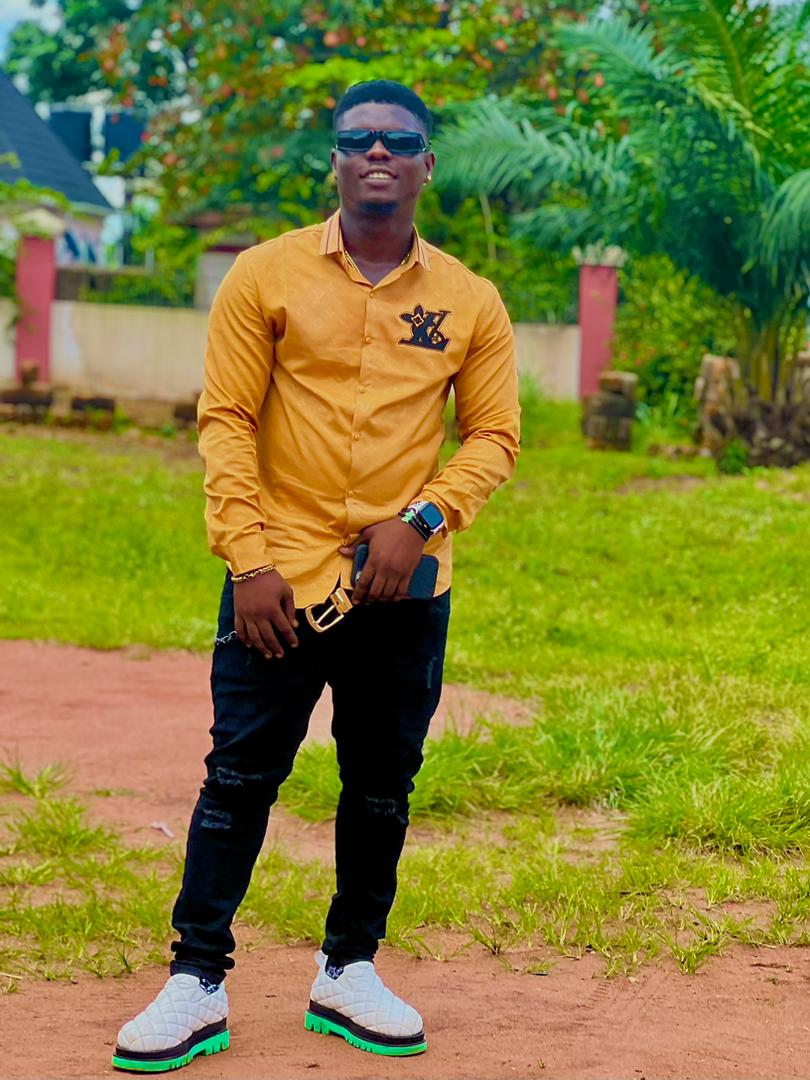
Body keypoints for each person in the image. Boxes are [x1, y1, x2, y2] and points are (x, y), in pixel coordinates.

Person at [112, 78, 520, 1073]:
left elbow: (494, 437)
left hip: (401, 589)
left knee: (382, 782)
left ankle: (349, 968)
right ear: (334, 161)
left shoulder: (471, 299)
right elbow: (226, 420)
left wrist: (420, 522)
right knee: (239, 775)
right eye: (358, 139)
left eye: (399, 141)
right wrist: (248, 561)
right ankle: (195, 979)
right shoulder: (265, 274)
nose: (378, 153)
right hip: (277, 584)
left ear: (426, 165)